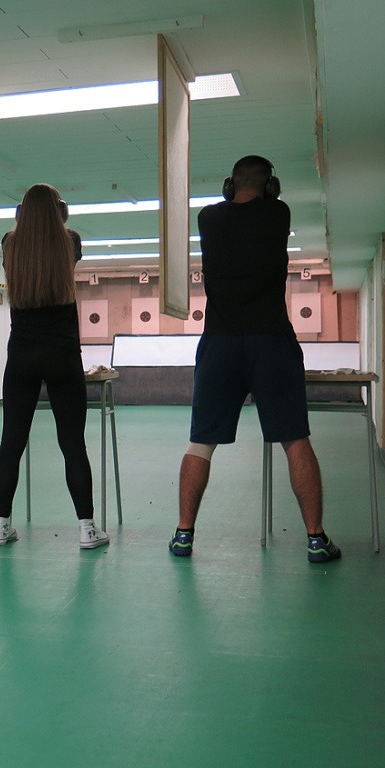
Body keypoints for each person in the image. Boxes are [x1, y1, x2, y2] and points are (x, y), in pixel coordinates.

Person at [171, 155, 340, 563]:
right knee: (295, 439)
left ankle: (183, 535)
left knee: (200, 442)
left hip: (219, 343)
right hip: (271, 341)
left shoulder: (208, 218)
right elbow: (266, 208)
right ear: (270, 187)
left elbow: (230, 211)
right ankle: (316, 539)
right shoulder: (277, 213)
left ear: (229, 185)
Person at [0, 183, 109, 550]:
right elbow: (63, 242)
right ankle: (87, 530)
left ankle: (0, 526)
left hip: (21, 357)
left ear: (20, 214)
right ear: (62, 212)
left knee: (11, 442)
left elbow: (23, 241)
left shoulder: (9, 244)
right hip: (63, 356)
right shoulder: (70, 241)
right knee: (73, 444)